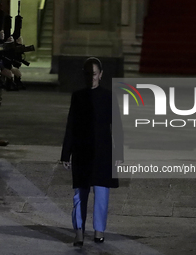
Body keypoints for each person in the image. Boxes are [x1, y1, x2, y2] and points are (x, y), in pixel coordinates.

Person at [60, 57, 123, 246]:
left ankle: (99, 230)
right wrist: (66, 153)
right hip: (81, 150)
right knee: (81, 193)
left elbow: (117, 127)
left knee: (102, 193)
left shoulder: (109, 96)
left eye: (94, 74)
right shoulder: (78, 96)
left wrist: (119, 155)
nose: (91, 78)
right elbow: (71, 125)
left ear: (101, 75)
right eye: (88, 74)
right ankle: (79, 231)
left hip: (103, 151)